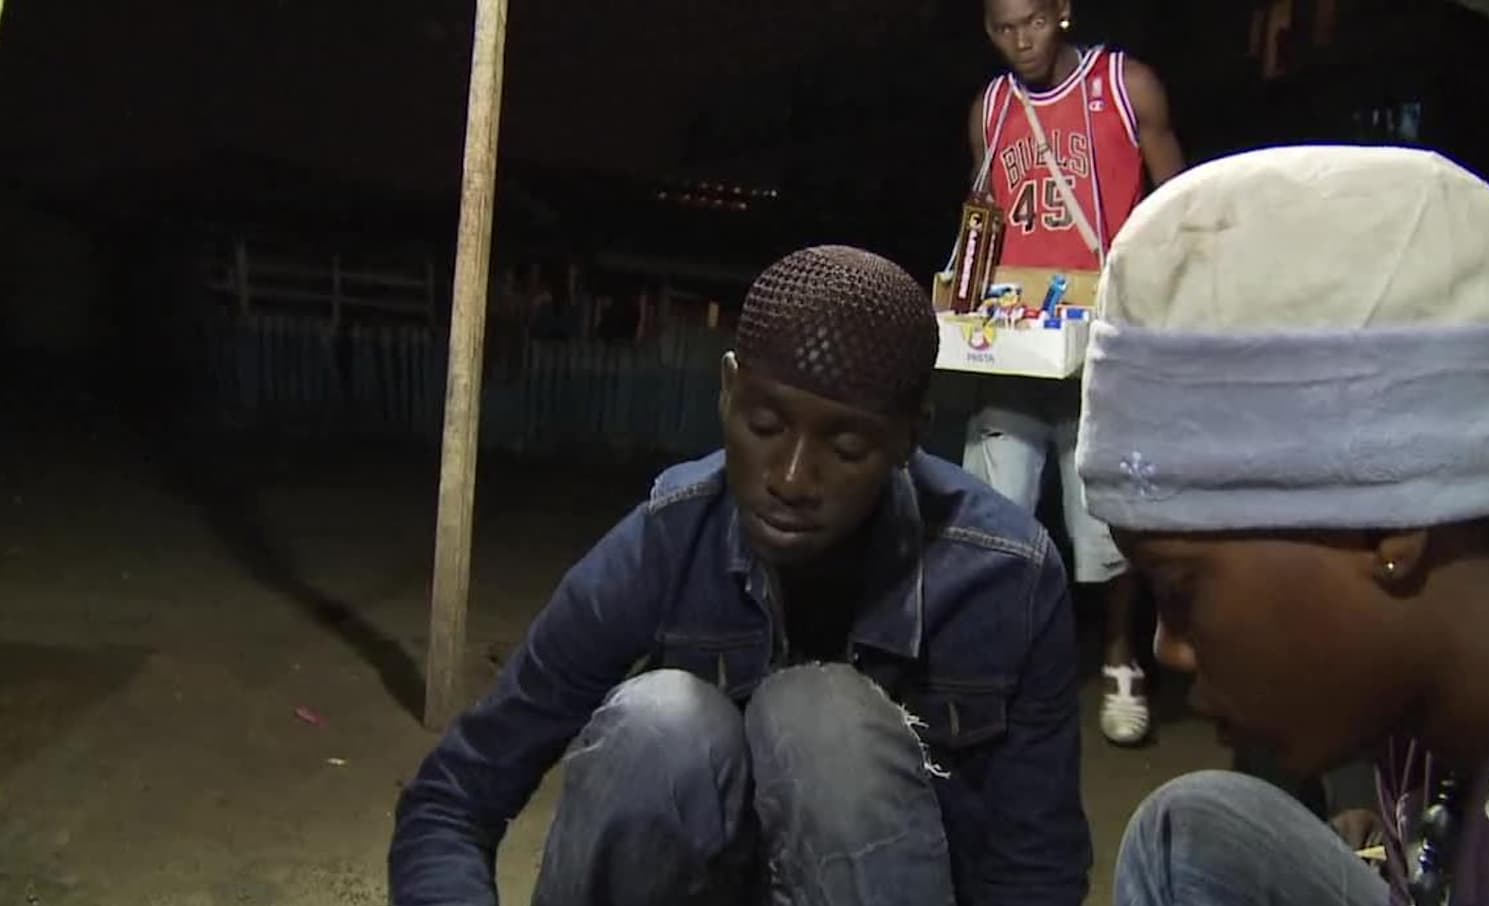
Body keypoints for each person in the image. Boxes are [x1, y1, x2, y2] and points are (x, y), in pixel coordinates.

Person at [389, 245, 1093, 905]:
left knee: (823, 720)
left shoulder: (1006, 579)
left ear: (910, 436)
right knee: (661, 724)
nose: (791, 479)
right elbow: (452, 800)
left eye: (847, 447)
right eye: (764, 426)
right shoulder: (667, 540)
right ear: (728, 392)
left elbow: (1037, 873)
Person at [1074, 146, 1489, 905]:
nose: (1170, 648)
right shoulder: (1473, 674)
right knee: (1193, 831)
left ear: (1389, 525)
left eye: (1179, 589)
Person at [963, 0, 1186, 746]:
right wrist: (966, 301)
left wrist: (1160, 305)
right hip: (1017, 340)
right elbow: (984, 217)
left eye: (1032, 21)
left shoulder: (1126, 84)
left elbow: (1178, 205)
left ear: (1061, 10)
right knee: (994, 510)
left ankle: (1122, 657)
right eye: (1003, 29)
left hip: (1104, 336)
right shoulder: (992, 106)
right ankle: (998, 663)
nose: (1019, 41)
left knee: (1106, 516)